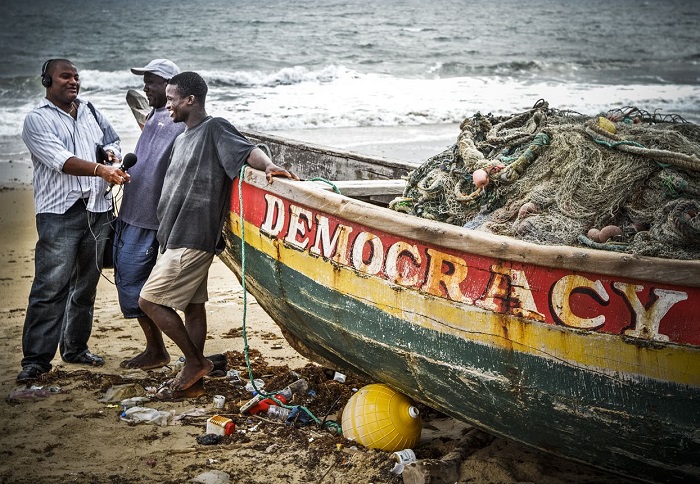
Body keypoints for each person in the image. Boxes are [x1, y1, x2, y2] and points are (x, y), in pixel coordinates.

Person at [138, 71, 298, 398]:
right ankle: (193, 385)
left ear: (190, 100)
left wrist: (267, 166)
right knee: (193, 308)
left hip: (193, 236)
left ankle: (194, 362)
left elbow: (247, 150)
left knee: (149, 300)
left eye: (171, 99)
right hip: (174, 235)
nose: (167, 106)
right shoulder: (182, 137)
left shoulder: (214, 128)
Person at [18, 59, 130, 382]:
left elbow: (112, 140)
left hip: (97, 209)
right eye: (65, 76)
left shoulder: (92, 112)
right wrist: (101, 170)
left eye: (76, 77)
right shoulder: (36, 120)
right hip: (60, 213)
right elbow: (61, 161)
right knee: (50, 286)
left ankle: (75, 348)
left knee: (86, 286)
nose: (73, 81)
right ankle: (36, 361)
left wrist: (110, 155)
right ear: (47, 80)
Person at [115, 59, 185, 370]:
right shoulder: (155, 113)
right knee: (127, 281)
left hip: (150, 219)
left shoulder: (180, 121)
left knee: (136, 285)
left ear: (170, 85)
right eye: (145, 81)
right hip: (131, 211)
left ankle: (161, 351)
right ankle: (156, 348)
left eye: (151, 81)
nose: (146, 87)